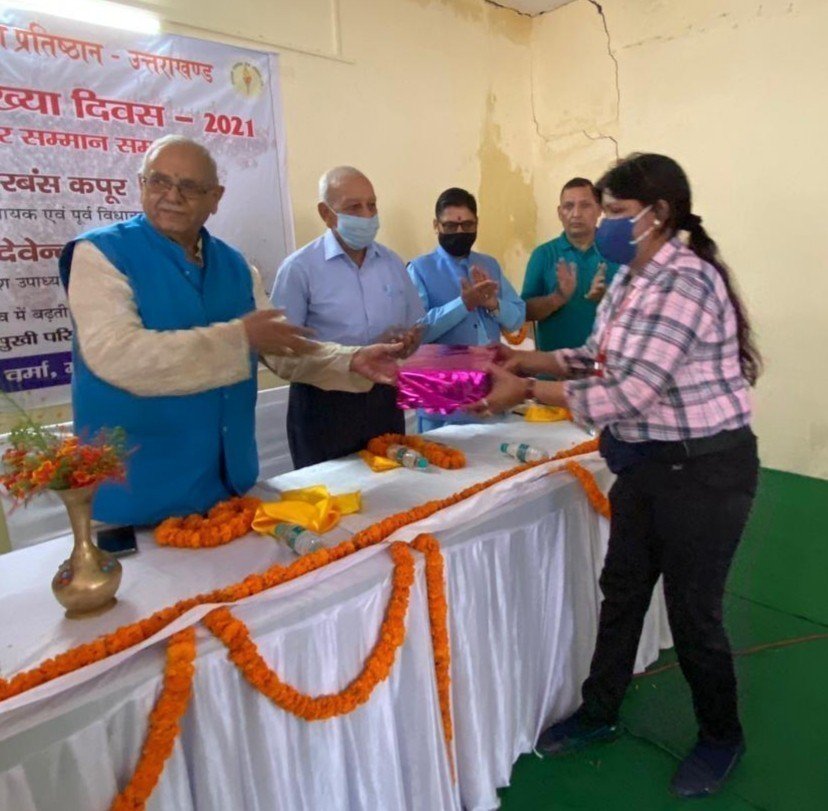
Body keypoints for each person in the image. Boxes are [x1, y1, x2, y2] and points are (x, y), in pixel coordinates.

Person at [470, 154, 761, 798]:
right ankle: (600, 710)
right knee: (623, 590)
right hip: (646, 463)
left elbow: (629, 390)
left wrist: (526, 391)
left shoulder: (685, 281)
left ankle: (721, 736)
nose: (603, 224)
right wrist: (524, 358)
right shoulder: (631, 275)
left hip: (706, 472)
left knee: (694, 614)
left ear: (659, 215)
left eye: (617, 213)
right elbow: (596, 357)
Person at [59, 136, 402, 526]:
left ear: (215, 197)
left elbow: (281, 347)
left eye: (189, 186)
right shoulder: (100, 254)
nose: (172, 196)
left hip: (227, 488)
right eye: (158, 181)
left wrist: (351, 360)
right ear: (141, 184)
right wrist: (239, 338)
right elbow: (117, 355)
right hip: (134, 495)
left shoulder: (235, 265)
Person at [271, 166, 424, 468]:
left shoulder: (392, 263)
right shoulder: (299, 269)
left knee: (395, 486)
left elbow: (416, 325)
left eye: (372, 205)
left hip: (384, 398)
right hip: (325, 404)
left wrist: (408, 341)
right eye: (354, 207)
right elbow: (282, 352)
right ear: (326, 214)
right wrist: (347, 359)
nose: (367, 216)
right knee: (331, 491)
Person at [406, 187, 525, 431]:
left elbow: (517, 319)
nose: (460, 232)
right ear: (436, 225)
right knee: (442, 453)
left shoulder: (489, 264)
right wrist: (464, 305)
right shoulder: (419, 269)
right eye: (451, 226)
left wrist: (494, 304)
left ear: (477, 224)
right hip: (440, 396)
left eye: (467, 225)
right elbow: (416, 332)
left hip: (490, 390)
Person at [522, 177, 618, 352]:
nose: (576, 214)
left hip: (607, 364)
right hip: (554, 366)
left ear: (599, 209)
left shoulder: (619, 252)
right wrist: (557, 298)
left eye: (585, 205)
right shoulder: (543, 254)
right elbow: (524, 313)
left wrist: (608, 297)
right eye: (568, 206)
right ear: (560, 213)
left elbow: (642, 311)